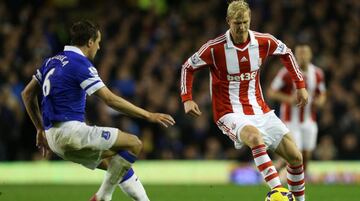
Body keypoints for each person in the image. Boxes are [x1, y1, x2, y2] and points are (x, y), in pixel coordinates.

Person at [21, 20, 175, 201]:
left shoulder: (51, 61)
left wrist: (39, 128)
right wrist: (148, 114)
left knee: (117, 165)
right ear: (90, 42)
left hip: (54, 139)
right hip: (71, 132)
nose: (99, 47)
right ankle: (103, 197)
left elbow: (26, 94)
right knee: (134, 144)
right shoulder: (80, 64)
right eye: (99, 42)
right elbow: (109, 99)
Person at [180, 1, 307, 200]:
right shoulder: (214, 48)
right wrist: (187, 98)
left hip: (259, 110)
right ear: (228, 21)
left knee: (296, 158)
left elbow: (287, 53)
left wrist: (300, 86)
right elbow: (188, 67)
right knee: (255, 138)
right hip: (228, 112)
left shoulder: (263, 41)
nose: (241, 27)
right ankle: (277, 190)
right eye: (237, 23)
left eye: (245, 22)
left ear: (250, 20)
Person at [268, 44, 326, 174]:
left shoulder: (317, 73)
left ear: (311, 55)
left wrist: (320, 101)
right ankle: (272, 174)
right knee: (294, 154)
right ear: (295, 55)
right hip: (290, 120)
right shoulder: (286, 72)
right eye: (300, 53)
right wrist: (289, 99)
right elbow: (271, 92)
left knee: (306, 156)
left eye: (305, 53)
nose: (303, 56)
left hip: (309, 120)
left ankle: (299, 183)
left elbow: (322, 93)